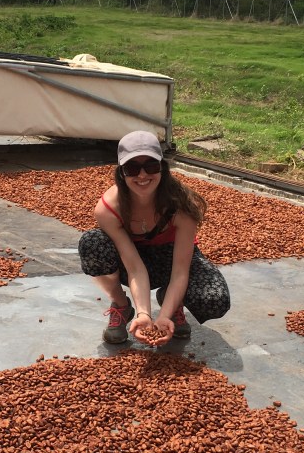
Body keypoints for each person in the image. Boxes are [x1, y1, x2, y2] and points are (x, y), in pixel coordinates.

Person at [78, 130, 231, 345]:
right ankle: (121, 306)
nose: (142, 175)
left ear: (163, 168)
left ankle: (172, 302)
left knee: (214, 300)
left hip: (170, 260)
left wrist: (164, 316)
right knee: (93, 243)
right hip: (133, 261)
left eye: (150, 166)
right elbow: (134, 267)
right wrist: (144, 315)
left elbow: (180, 271)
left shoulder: (182, 205)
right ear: (121, 173)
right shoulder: (109, 209)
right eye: (132, 168)